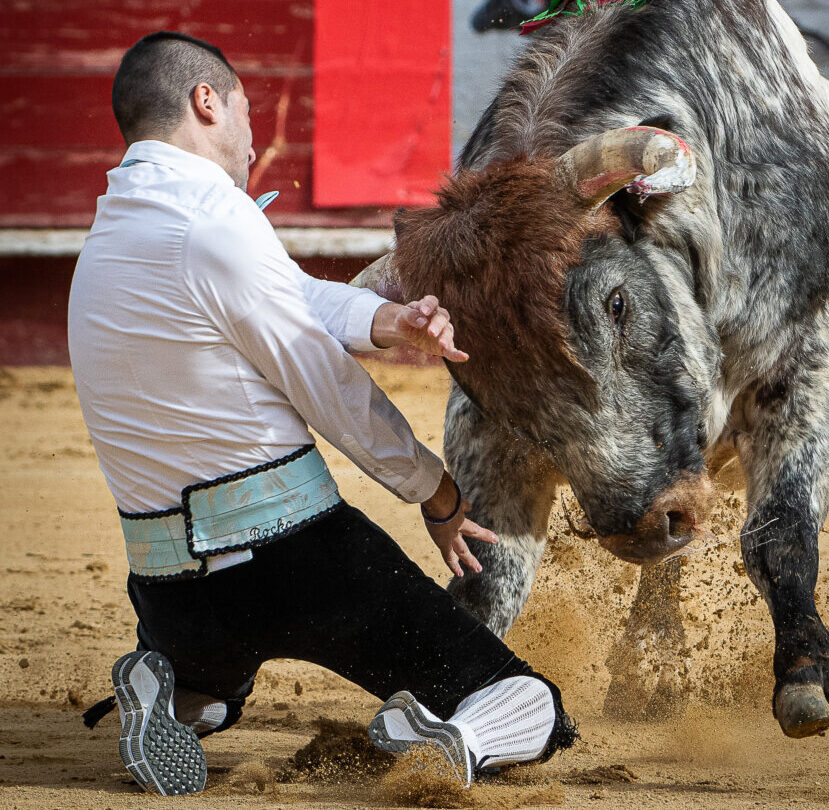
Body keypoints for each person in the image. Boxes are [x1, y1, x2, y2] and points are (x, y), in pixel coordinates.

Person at [69, 31, 577, 796]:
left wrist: (388, 319)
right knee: (531, 705)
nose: (250, 136)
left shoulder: (109, 239)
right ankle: (449, 739)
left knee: (219, 679)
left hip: (171, 583)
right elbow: (326, 385)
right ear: (207, 102)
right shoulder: (214, 223)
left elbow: (288, 296)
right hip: (297, 561)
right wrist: (435, 492)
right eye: (244, 108)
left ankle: (180, 691)